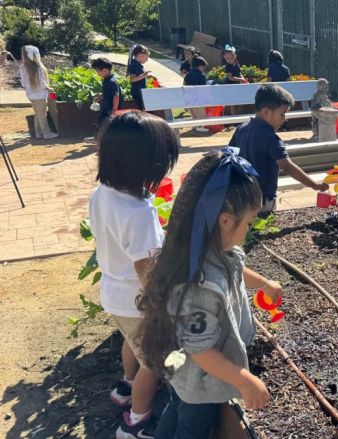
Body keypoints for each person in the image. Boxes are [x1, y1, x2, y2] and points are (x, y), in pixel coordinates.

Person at [137, 148, 281, 438]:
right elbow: (199, 349)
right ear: (226, 221)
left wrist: (264, 283)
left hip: (181, 368)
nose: (250, 228)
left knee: (176, 407)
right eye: (249, 222)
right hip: (200, 381)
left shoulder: (205, 249)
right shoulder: (199, 288)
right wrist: (244, 380)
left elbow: (237, 270)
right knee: (192, 425)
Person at [88, 111, 180, 438]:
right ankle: (136, 421)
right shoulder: (139, 214)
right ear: (146, 166)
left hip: (115, 295)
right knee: (154, 362)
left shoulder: (103, 193)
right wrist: (165, 306)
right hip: (138, 300)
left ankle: (125, 387)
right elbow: (146, 270)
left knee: (133, 342)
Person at [229, 84, 328, 215]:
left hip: (241, 197)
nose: (284, 119)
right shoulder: (271, 138)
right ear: (266, 112)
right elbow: (287, 166)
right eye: (282, 114)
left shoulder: (241, 129)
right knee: (263, 228)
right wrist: (313, 184)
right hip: (262, 199)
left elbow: (229, 155)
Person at [18, 45, 58, 139]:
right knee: (42, 115)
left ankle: (38, 133)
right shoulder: (39, 68)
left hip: (31, 95)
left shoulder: (22, 67)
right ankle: (46, 134)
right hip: (40, 95)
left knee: (37, 114)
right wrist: (50, 89)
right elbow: (43, 83)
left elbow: (23, 84)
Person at [86, 57, 122, 143]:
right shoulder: (106, 80)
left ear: (105, 70)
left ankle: (98, 138)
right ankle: (99, 138)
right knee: (102, 122)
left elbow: (116, 96)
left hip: (110, 109)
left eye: (98, 71)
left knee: (103, 123)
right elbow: (109, 92)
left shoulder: (111, 81)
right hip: (107, 108)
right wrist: (101, 96)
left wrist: (114, 110)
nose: (97, 73)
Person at [183, 56, 210, 133]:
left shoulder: (187, 75)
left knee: (194, 114)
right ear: (200, 66)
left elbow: (184, 85)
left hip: (189, 100)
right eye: (203, 67)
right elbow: (204, 89)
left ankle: (195, 125)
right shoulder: (202, 76)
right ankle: (200, 126)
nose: (204, 69)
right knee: (202, 115)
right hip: (198, 100)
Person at [127, 44, 154, 110]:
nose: (147, 60)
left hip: (140, 92)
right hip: (137, 92)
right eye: (146, 57)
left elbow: (139, 76)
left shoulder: (138, 64)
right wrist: (144, 75)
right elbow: (132, 79)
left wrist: (146, 76)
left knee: (144, 109)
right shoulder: (134, 65)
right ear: (140, 55)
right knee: (141, 110)